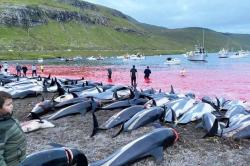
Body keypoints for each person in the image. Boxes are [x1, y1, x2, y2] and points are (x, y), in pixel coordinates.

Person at [0, 91, 27, 166]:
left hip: (20, 159)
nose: (12, 106)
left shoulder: (8, 117)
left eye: (11, 103)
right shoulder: (2, 128)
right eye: (8, 105)